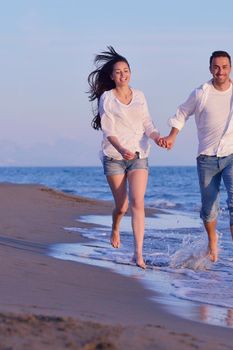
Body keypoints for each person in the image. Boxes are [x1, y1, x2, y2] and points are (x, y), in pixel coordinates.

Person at [162, 50, 233, 275]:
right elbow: (182, 113)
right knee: (209, 208)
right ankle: (212, 241)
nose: (221, 71)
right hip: (207, 157)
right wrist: (172, 136)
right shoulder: (201, 93)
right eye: (217, 67)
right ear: (210, 69)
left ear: (231, 68)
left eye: (225, 67)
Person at [88, 46, 164, 269]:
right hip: (114, 156)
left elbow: (147, 123)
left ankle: (138, 254)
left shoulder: (139, 96)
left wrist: (158, 137)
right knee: (122, 206)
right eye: (118, 72)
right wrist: (121, 149)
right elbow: (108, 131)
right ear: (112, 76)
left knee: (138, 202)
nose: (123, 74)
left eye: (126, 70)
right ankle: (115, 225)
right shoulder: (107, 98)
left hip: (139, 155)